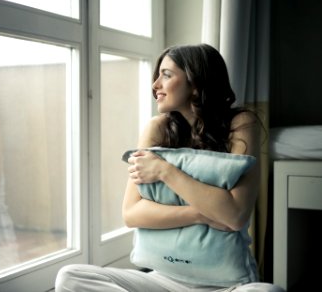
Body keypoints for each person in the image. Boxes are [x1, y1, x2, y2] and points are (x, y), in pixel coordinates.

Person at [55, 44, 284, 292]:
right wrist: (202, 214)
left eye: (166, 75)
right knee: (70, 277)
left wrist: (165, 171)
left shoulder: (240, 124)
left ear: (195, 83)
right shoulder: (158, 128)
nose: (155, 85)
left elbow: (235, 215)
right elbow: (132, 213)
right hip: (161, 280)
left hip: (226, 286)